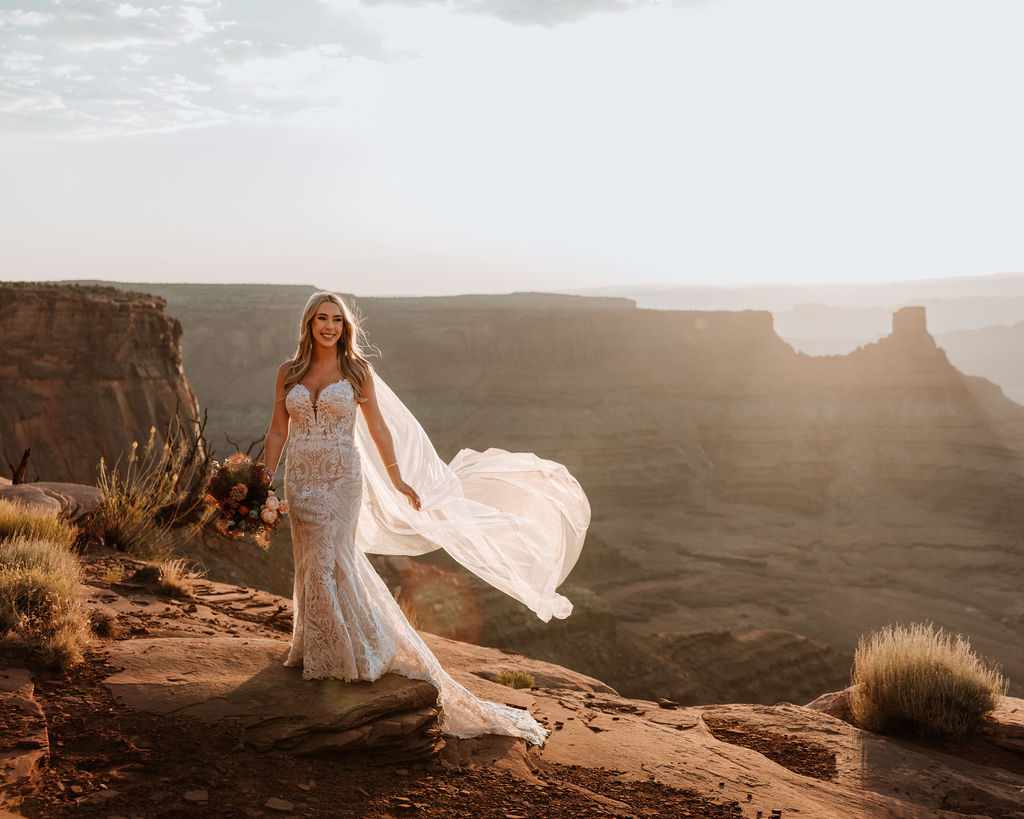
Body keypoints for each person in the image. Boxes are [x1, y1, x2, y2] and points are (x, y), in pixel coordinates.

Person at [262, 291, 591, 745]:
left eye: (337, 320)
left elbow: (378, 428)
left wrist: (398, 481)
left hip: (341, 479)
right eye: (321, 318)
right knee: (309, 563)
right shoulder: (289, 373)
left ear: (345, 326)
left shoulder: (357, 373)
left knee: (328, 558)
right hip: (300, 481)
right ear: (309, 324)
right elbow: (279, 429)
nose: (329, 327)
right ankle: (315, 645)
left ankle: (343, 656)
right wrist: (262, 479)